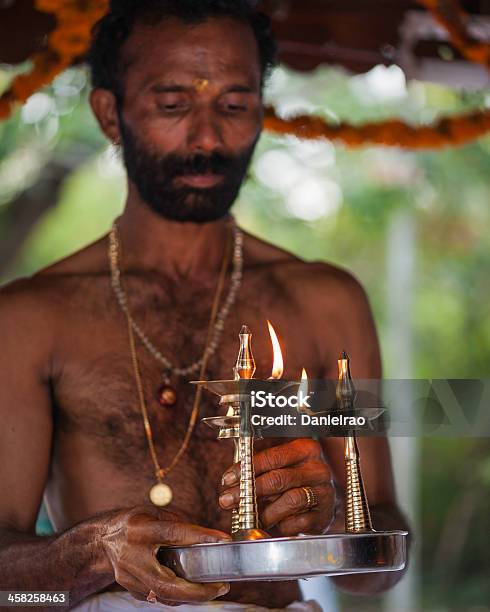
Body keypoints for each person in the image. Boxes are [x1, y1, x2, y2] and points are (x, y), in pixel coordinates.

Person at [0, 1, 409, 610]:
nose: (209, 137)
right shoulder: (33, 317)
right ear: (110, 114)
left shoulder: (327, 304)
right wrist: (90, 550)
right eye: (172, 105)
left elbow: (379, 566)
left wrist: (326, 527)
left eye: (235, 104)